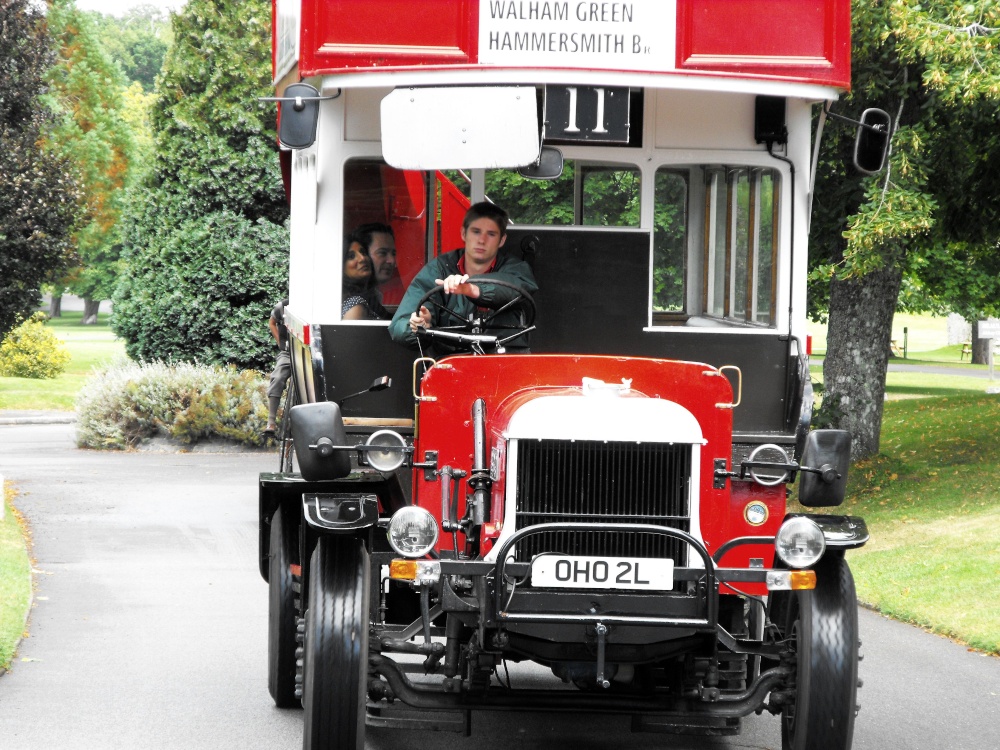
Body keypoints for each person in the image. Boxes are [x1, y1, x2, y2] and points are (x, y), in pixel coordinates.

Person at [388, 201, 537, 349]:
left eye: (491, 234)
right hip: (451, 361)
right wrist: (421, 326)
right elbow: (400, 326)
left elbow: (517, 287)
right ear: (463, 233)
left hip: (504, 361)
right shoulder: (439, 269)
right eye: (476, 232)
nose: (482, 240)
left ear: (502, 240)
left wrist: (473, 289)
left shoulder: (516, 269)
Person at [342, 235, 388, 320]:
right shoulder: (355, 306)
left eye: (363, 252)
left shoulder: (370, 297)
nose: (362, 258)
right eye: (351, 256)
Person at [265, 298, 290, 437]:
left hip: (310, 352)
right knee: (278, 376)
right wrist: (281, 343)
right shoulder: (282, 306)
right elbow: (272, 322)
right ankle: (271, 421)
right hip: (288, 353)